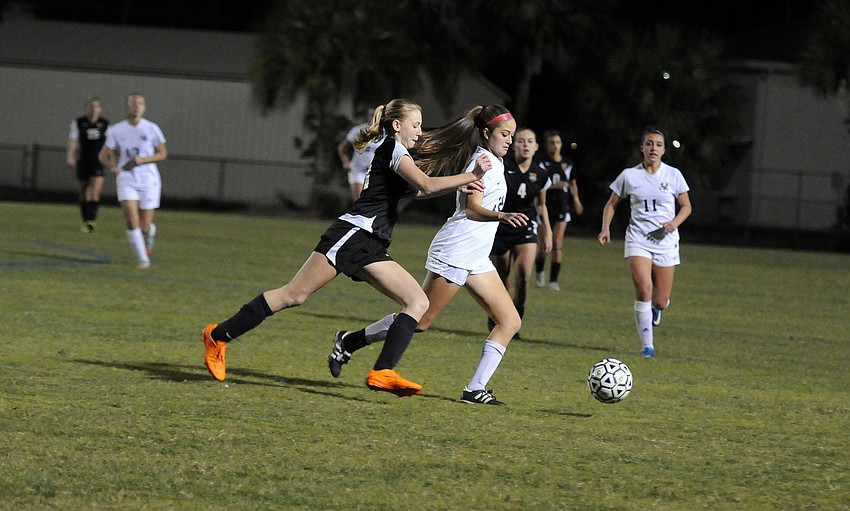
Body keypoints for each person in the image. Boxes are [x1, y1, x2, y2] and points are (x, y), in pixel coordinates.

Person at [200, 99, 493, 397]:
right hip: (353, 234)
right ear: (397, 125)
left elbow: (417, 191)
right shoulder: (392, 149)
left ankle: (382, 372)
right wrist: (472, 175)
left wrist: (458, 185)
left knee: (417, 302)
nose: (419, 131)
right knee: (294, 295)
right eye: (415, 125)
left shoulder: (400, 153)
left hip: (371, 243)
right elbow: (427, 185)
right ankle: (217, 336)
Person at [327, 106, 527, 405]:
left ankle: (475, 389)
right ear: (486, 134)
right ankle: (350, 341)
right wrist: (502, 215)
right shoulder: (482, 161)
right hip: (456, 251)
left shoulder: (496, 161)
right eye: (504, 134)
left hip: (476, 256)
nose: (510, 140)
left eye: (512, 135)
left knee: (509, 320)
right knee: (420, 320)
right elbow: (472, 210)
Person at [597, 128, 692, 358]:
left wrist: (673, 223)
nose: (653, 148)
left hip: (666, 241)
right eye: (649, 144)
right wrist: (605, 228)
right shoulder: (629, 175)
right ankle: (648, 346)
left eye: (658, 145)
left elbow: (687, 206)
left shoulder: (673, 175)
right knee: (643, 290)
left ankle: (657, 309)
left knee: (660, 299)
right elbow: (611, 204)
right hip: (638, 238)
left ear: (664, 150)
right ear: (642, 147)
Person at [489, 127, 552, 338]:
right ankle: (499, 317)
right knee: (501, 277)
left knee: (524, 275)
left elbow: (541, 205)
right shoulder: (502, 166)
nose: (525, 144)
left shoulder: (541, 174)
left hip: (526, 227)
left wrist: (548, 232)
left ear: (536, 147)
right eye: (521, 140)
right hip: (500, 227)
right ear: (514, 145)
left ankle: (516, 323)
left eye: (530, 141)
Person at [99, 93, 168, 270]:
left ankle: (149, 234)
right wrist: (112, 166)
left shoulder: (151, 128)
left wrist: (143, 160)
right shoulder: (117, 129)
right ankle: (143, 260)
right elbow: (104, 155)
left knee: (144, 225)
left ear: (144, 107)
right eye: (133, 103)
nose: (137, 106)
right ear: (127, 106)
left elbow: (162, 153)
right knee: (131, 219)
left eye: (140, 104)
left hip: (148, 178)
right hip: (126, 178)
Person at [534, 130, 584, 291]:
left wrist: (576, 199)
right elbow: (537, 184)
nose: (555, 145)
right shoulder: (541, 162)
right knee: (543, 245)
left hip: (562, 207)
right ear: (546, 145)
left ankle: (554, 281)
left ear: (561, 144)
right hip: (545, 207)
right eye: (551, 142)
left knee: (557, 244)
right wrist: (554, 186)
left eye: (557, 142)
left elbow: (573, 183)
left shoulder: (568, 163)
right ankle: (540, 271)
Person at [67, 97, 109, 233]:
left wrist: (110, 160)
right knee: (84, 191)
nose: (93, 109)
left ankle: (91, 220)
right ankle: (85, 219)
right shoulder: (79, 123)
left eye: (96, 106)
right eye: (91, 106)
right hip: (83, 160)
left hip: (98, 161)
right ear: (87, 108)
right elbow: (73, 140)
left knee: (95, 191)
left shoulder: (105, 124)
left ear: (100, 109)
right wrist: (71, 156)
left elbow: (110, 144)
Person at [338, 109, 379, 201]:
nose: (373, 118)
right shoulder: (358, 130)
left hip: (376, 172)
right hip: (358, 170)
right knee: (360, 201)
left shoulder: (386, 134)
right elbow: (342, 148)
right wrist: (346, 162)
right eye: (372, 115)